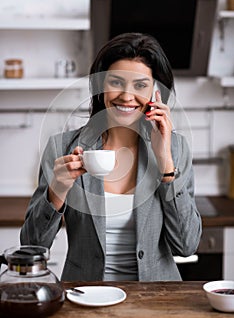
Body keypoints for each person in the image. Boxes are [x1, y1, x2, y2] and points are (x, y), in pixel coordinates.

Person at [20, 32, 202, 281]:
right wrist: (57, 191)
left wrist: (166, 165)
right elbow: (32, 247)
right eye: (116, 82)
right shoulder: (62, 147)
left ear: (154, 93)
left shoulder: (176, 148)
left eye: (140, 85)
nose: (126, 96)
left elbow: (186, 245)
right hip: (85, 297)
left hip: (157, 299)